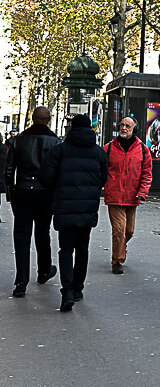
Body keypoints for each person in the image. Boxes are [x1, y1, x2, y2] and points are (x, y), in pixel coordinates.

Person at [39, 114, 108, 312]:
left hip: (65, 206)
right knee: (83, 249)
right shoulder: (98, 153)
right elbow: (102, 179)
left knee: (66, 249)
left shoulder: (59, 151)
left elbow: (46, 177)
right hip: (87, 207)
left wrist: (58, 190)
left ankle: (67, 290)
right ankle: (78, 288)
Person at [4, 107, 61, 297]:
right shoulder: (55, 142)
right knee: (42, 232)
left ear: (32, 118)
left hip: (22, 190)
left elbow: (9, 169)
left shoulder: (19, 140)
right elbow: (58, 172)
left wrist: (11, 193)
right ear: (48, 120)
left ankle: (21, 281)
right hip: (45, 192)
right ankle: (44, 269)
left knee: (21, 235)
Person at [103, 116, 153, 274]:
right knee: (119, 229)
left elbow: (146, 174)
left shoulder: (143, 150)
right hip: (114, 196)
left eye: (127, 126)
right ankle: (117, 261)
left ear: (134, 130)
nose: (123, 128)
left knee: (129, 231)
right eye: (122, 125)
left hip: (133, 197)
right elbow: (100, 169)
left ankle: (121, 247)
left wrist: (142, 192)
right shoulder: (109, 148)